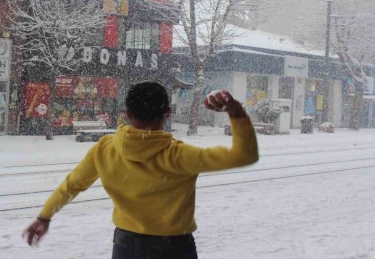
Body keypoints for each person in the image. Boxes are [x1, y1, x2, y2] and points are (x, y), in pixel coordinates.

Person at [22, 82, 259, 258]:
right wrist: (236, 113)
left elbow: (72, 185)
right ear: (167, 113)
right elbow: (244, 155)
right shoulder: (179, 156)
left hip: (127, 245)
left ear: (128, 114)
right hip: (173, 248)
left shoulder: (105, 148)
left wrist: (44, 216)